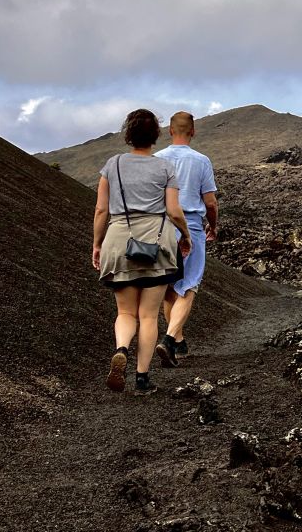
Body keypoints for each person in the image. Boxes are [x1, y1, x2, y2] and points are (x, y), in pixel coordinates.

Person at [93, 109, 192, 396]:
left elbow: (101, 210)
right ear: (156, 135)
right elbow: (173, 211)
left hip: (119, 241)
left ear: (128, 133)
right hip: (156, 245)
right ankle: (142, 377)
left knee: (125, 311)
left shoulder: (113, 165)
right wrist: (185, 236)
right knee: (148, 316)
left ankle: (121, 348)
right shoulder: (164, 169)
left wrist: (98, 244)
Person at [153, 111, 218, 367]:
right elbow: (210, 202)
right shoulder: (201, 161)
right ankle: (169, 339)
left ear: (169, 131)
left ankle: (178, 343)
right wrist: (213, 227)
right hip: (190, 226)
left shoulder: (156, 160)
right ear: (193, 131)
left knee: (169, 286)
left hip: (160, 227)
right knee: (189, 285)